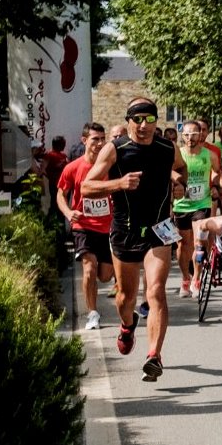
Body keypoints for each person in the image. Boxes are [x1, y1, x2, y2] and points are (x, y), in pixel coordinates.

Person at [82, 98, 189, 382]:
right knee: (124, 298)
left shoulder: (168, 147)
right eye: (138, 119)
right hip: (126, 231)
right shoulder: (115, 149)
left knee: (155, 292)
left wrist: (180, 185)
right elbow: (86, 187)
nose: (144, 126)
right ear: (128, 120)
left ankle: (154, 356)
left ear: (156, 121)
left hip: (159, 228)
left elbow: (181, 169)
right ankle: (128, 326)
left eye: (150, 119)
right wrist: (118, 183)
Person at [57, 123, 114, 330]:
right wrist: (68, 212)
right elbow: (61, 194)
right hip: (83, 225)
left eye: (102, 139)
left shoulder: (110, 166)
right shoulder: (73, 167)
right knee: (89, 268)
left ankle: (109, 278)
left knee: (105, 275)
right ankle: (92, 314)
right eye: (94, 139)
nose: (99, 143)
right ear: (84, 141)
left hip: (108, 227)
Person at [169, 120, 222, 298]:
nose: (190, 138)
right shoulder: (179, 155)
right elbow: (169, 172)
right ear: (182, 136)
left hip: (202, 204)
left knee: (199, 243)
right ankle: (186, 277)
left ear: (201, 134)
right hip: (182, 204)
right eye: (186, 134)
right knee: (183, 244)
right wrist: (177, 184)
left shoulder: (209, 155)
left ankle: (197, 279)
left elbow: (217, 171)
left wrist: (215, 185)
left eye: (194, 134)